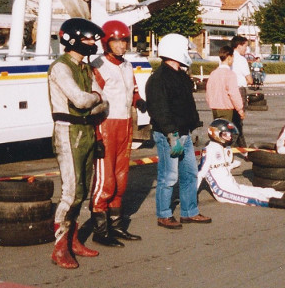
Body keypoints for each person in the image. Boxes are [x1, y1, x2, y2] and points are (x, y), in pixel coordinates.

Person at [47, 18, 110, 269]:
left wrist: (94, 99)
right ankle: (60, 248)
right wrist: (95, 99)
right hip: (68, 130)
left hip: (86, 130)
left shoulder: (85, 67)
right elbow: (82, 100)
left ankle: (73, 242)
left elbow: (102, 102)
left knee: (82, 192)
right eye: (88, 38)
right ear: (73, 39)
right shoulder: (61, 67)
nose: (93, 43)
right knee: (71, 193)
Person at [86, 20, 144, 248]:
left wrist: (139, 101)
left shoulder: (127, 66)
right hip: (106, 125)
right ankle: (100, 231)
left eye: (124, 41)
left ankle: (116, 226)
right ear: (106, 43)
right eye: (116, 41)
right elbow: (92, 100)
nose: (122, 46)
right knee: (106, 181)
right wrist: (97, 135)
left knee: (121, 180)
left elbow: (133, 89)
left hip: (125, 125)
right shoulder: (99, 65)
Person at [146, 33, 209, 230]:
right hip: (168, 135)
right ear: (175, 50)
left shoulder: (181, 76)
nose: (188, 53)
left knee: (190, 173)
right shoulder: (158, 79)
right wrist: (171, 134)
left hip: (184, 133)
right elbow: (159, 109)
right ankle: (164, 214)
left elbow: (187, 105)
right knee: (169, 176)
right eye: (186, 50)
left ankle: (189, 212)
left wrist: (193, 126)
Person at [201, 119, 285, 210]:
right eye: (225, 135)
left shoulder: (225, 149)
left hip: (233, 185)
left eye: (229, 134)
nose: (229, 137)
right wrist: (192, 196)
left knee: (261, 190)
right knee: (253, 197)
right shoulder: (209, 150)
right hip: (222, 191)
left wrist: (233, 165)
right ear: (215, 134)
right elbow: (201, 173)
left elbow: (222, 167)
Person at [206, 45, 246, 143]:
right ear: (229, 57)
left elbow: (208, 90)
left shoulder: (213, 73)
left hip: (215, 108)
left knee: (217, 133)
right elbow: (234, 93)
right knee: (226, 136)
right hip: (226, 109)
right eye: (232, 57)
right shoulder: (230, 74)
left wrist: (211, 103)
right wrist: (240, 109)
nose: (233, 60)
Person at [230, 36, 251, 148]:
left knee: (231, 119)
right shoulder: (242, 60)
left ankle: (241, 145)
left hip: (228, 89)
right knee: (238, 119)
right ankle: (235, 145)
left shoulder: (227, 57)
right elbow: (249, 79)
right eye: (245, 46)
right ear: (239, 46)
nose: (246, 49)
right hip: (239, 90)